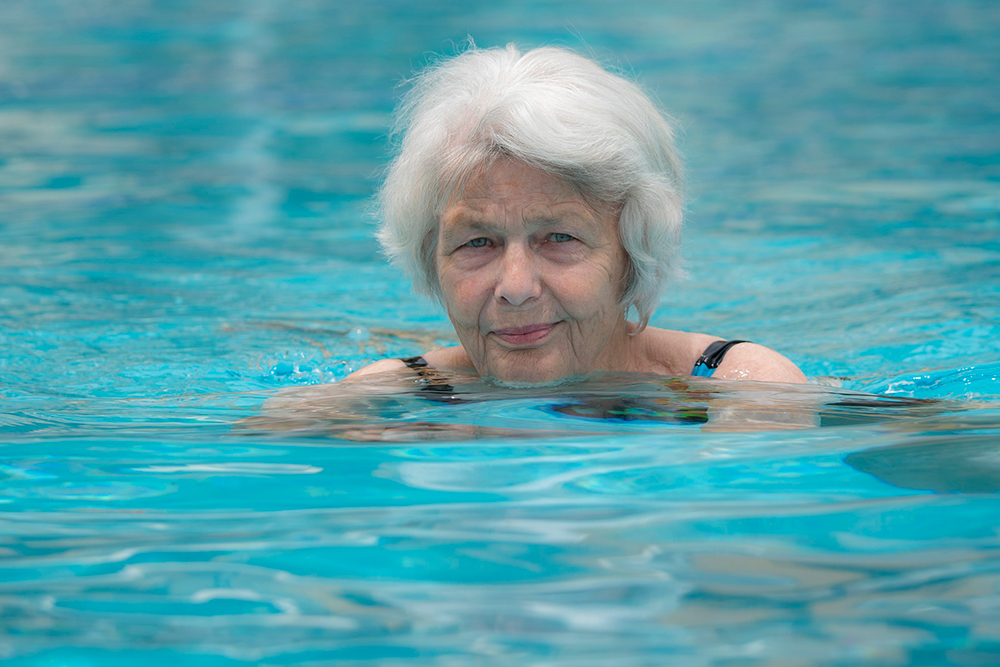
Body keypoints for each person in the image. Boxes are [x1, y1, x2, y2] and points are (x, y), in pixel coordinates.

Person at [348, 43, 806, 387]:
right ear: (431, 260)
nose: (516, 289)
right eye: (477, 242)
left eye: (559, 237)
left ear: (634, 251)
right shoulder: (392, 395)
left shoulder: (738, 385)